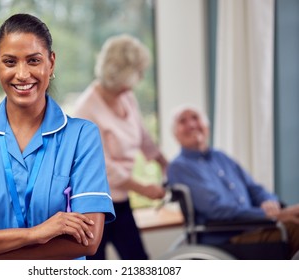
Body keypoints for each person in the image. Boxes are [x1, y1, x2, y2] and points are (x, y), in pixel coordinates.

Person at [0, 13, 115, 260]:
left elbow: (87, 241)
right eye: (10, 62)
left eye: (34, 61)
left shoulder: (81, 136)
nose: (22, 74)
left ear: (51, 63)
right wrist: (34, 234)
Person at [73, 34, 168, 260]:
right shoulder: (86, 110)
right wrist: (143, 188)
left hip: (121, 202)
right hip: (93, 206)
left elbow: (142, 136)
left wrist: (163, 162)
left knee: (139, 261)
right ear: (125, 72)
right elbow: (103, 166)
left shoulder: (127, 97)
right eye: (139, 71)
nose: (142, 76)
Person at [167, 104, 299, 258]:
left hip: (257, 227)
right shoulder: (179, 167)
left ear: (207, 126)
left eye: (195, 118)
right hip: (226, 239)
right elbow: (217, 210)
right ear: (175, 134)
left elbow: (255, 188)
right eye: (183, 121)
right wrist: (268, 215)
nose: (191, 124)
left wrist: (270, 202)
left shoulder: (220, 157)